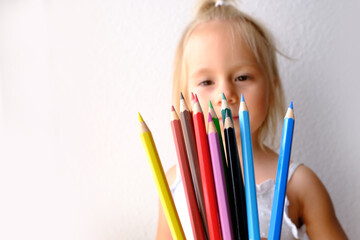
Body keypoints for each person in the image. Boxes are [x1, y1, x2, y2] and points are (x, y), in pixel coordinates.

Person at [156, 0, 347, 239]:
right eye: (206, 82)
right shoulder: (175, 181)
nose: (225, 95)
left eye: (242, 77)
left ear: (272, 86)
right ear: (184, 96)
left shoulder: (298, 184)